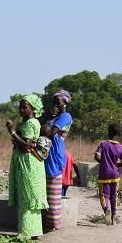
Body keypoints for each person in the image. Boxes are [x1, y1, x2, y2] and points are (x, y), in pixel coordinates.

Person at [6, 94, 48, 238]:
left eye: (25, 107)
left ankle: (27, 231)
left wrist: (11, 131)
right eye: (21, 107)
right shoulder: (26, 123)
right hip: (26, 162)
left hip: (28, 163)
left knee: (27, 196)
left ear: (33, 108)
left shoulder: (31, 123)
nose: (21, 110)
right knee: (27, 197)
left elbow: (26, 145)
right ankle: (32, 230)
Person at [44, 90, 74, 231]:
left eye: (57, 102)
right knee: (46, 191)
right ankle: (46, 222)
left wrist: (49, 118)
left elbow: (50, 132)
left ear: (64, 102)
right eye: (53, 102)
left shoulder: (65, 116)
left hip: (54, 154)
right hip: (48, 153)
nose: (55, 105)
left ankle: (53, 224)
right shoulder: (55, 117)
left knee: (53, 193)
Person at [95, 124, 122, 225]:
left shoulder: (103, 144)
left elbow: (97, 156)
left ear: (108, 132)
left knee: (104, 195)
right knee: (114, 195)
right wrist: (115, 164)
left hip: (104, 173)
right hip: (115, 174)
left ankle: (107, 210)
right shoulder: (121, 147)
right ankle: (113, 218)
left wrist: (104, 163)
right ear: (118, 134)